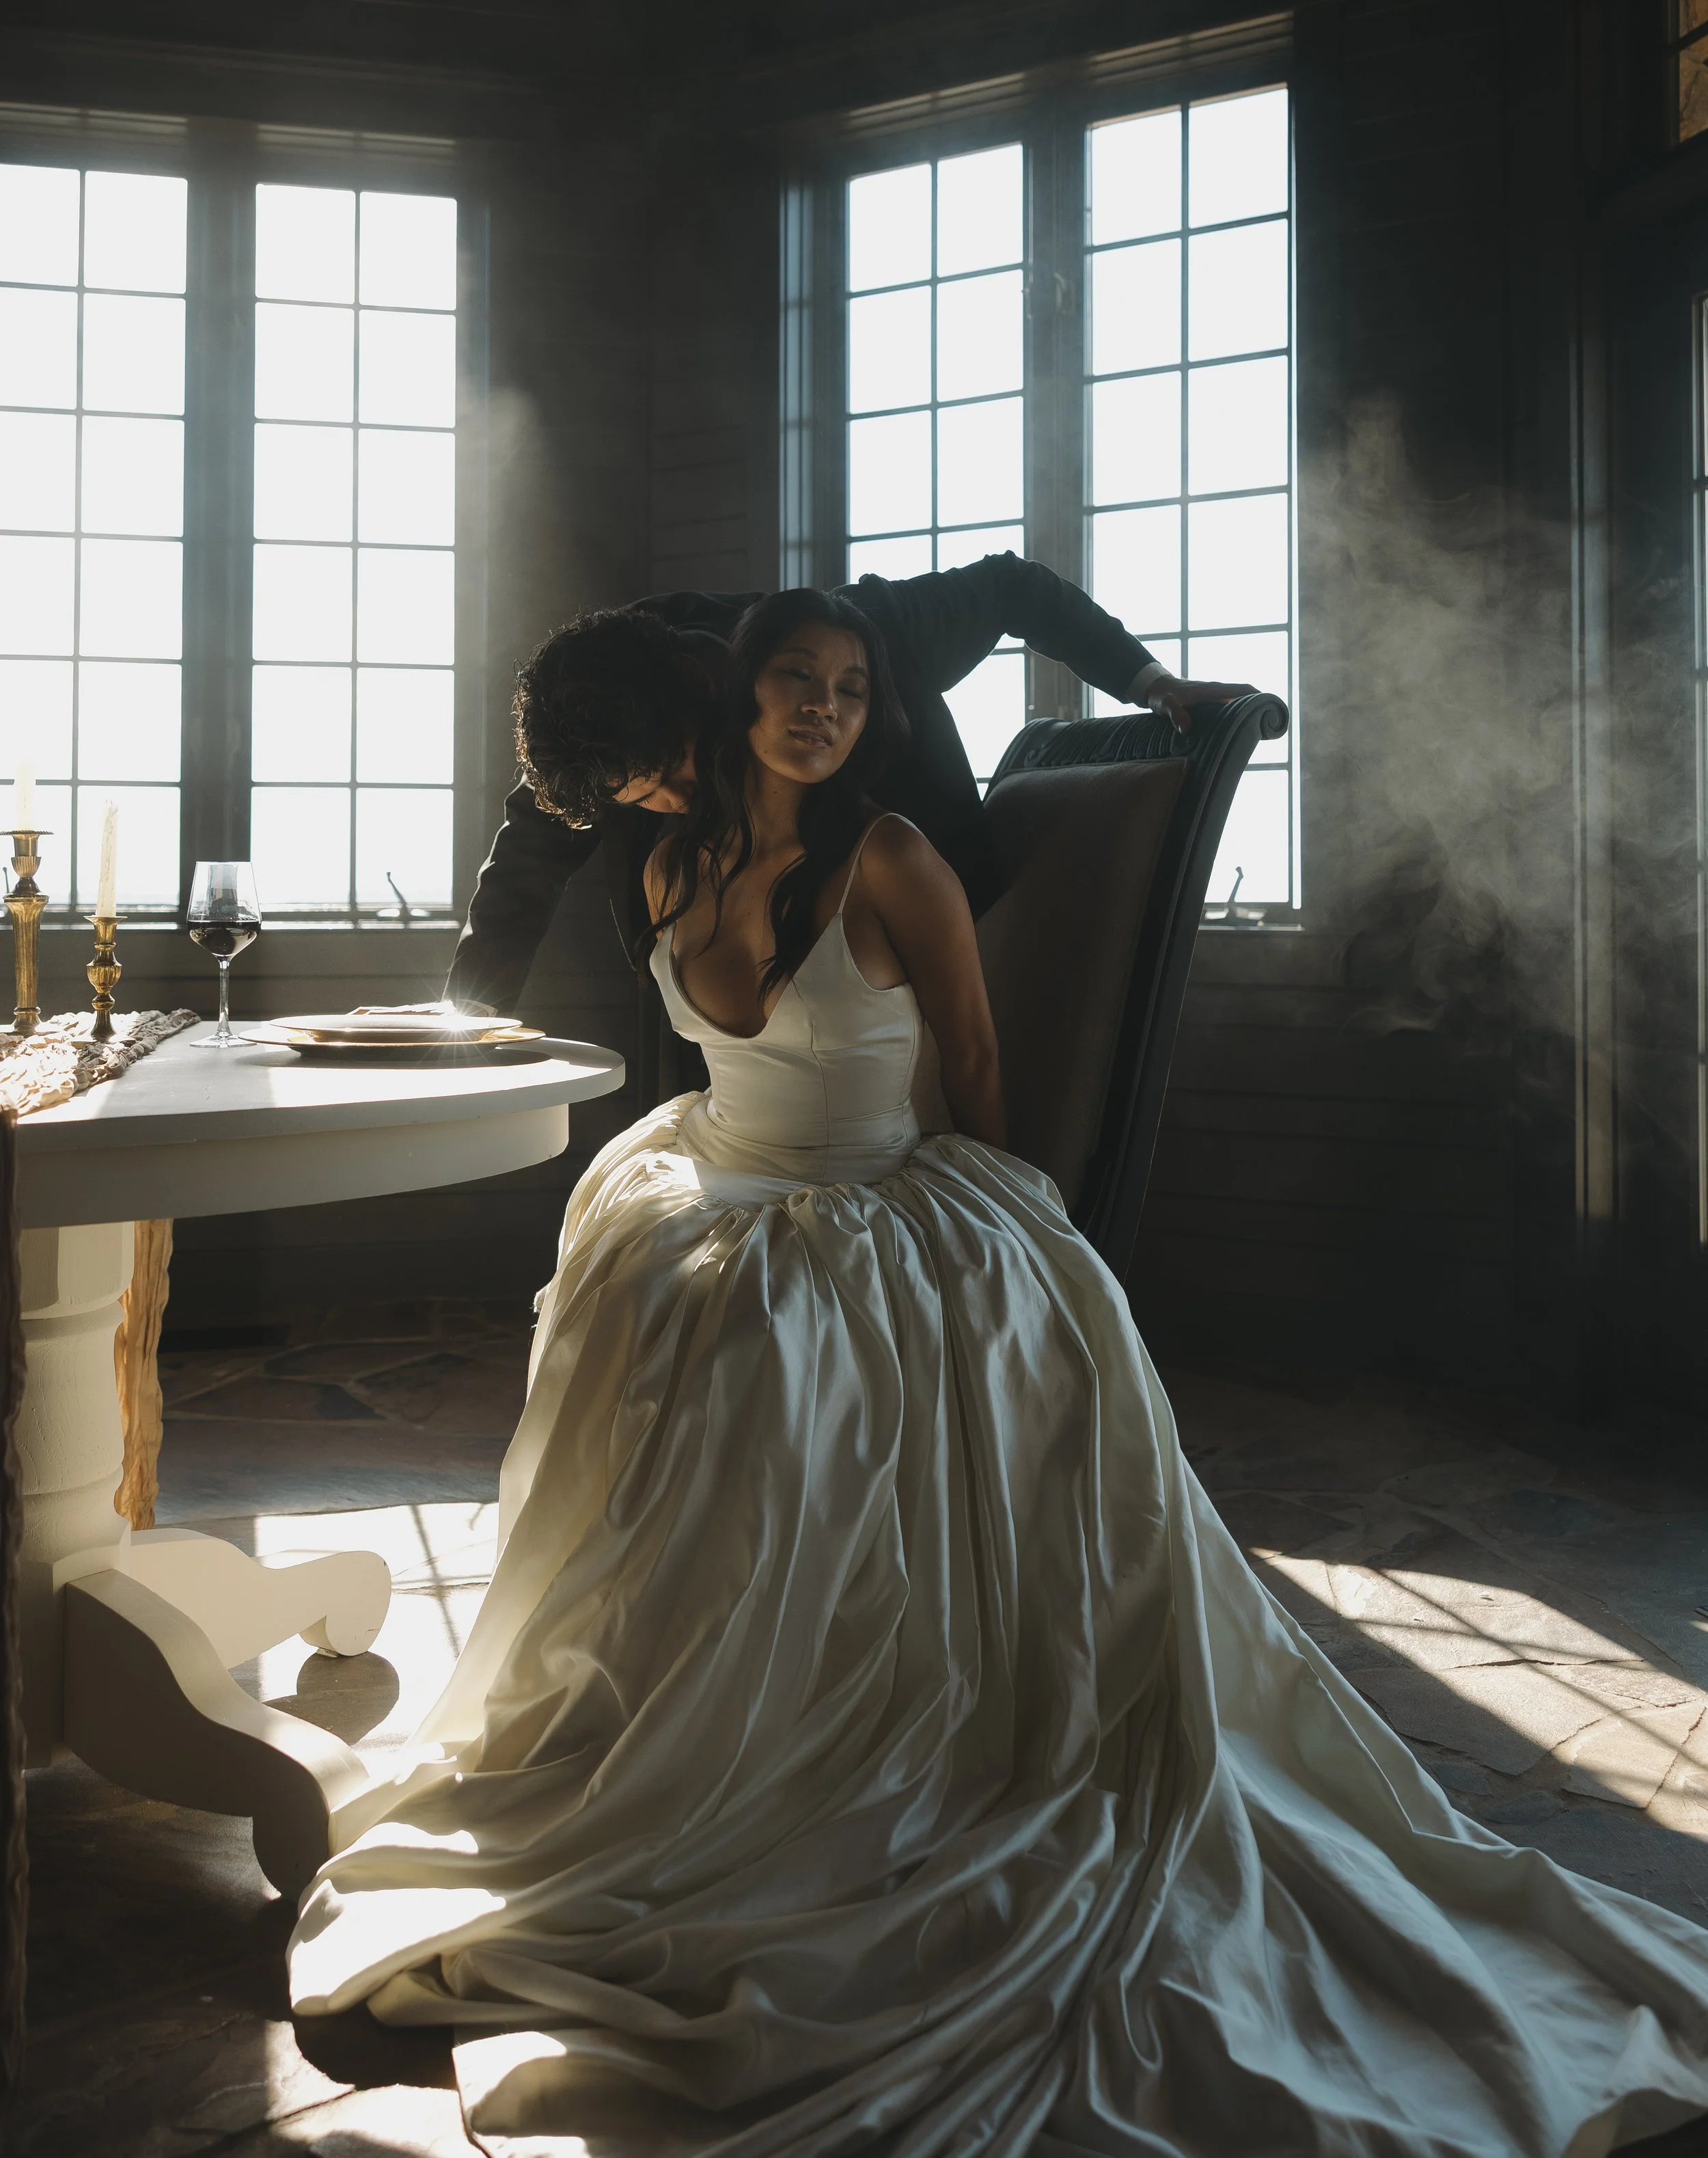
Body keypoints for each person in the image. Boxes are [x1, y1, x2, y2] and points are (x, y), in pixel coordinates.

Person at [293, 589, 1708, 2157]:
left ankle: (857, 1741)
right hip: (726, 1167)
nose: (655, 792)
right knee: (650, 1277)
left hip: (885, 1179)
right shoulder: (668, 836)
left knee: (776, 1318)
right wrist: (468, 1012)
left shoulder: (882, 831)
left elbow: (978, 1080)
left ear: (727, 713)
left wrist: (988, 1258)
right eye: (791, 689)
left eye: (828, 690)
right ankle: (696, 1710)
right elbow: (560, 876)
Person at [443, 551, 1250, 1024]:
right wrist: (466, 1018)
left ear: (706, 690)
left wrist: (1149, 681)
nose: (676, 803)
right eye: (645, 801)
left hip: (901, 947)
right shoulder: (598, 713)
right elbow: (526, 858)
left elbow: (1012, 588)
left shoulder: (852, 641)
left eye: (678, 775)